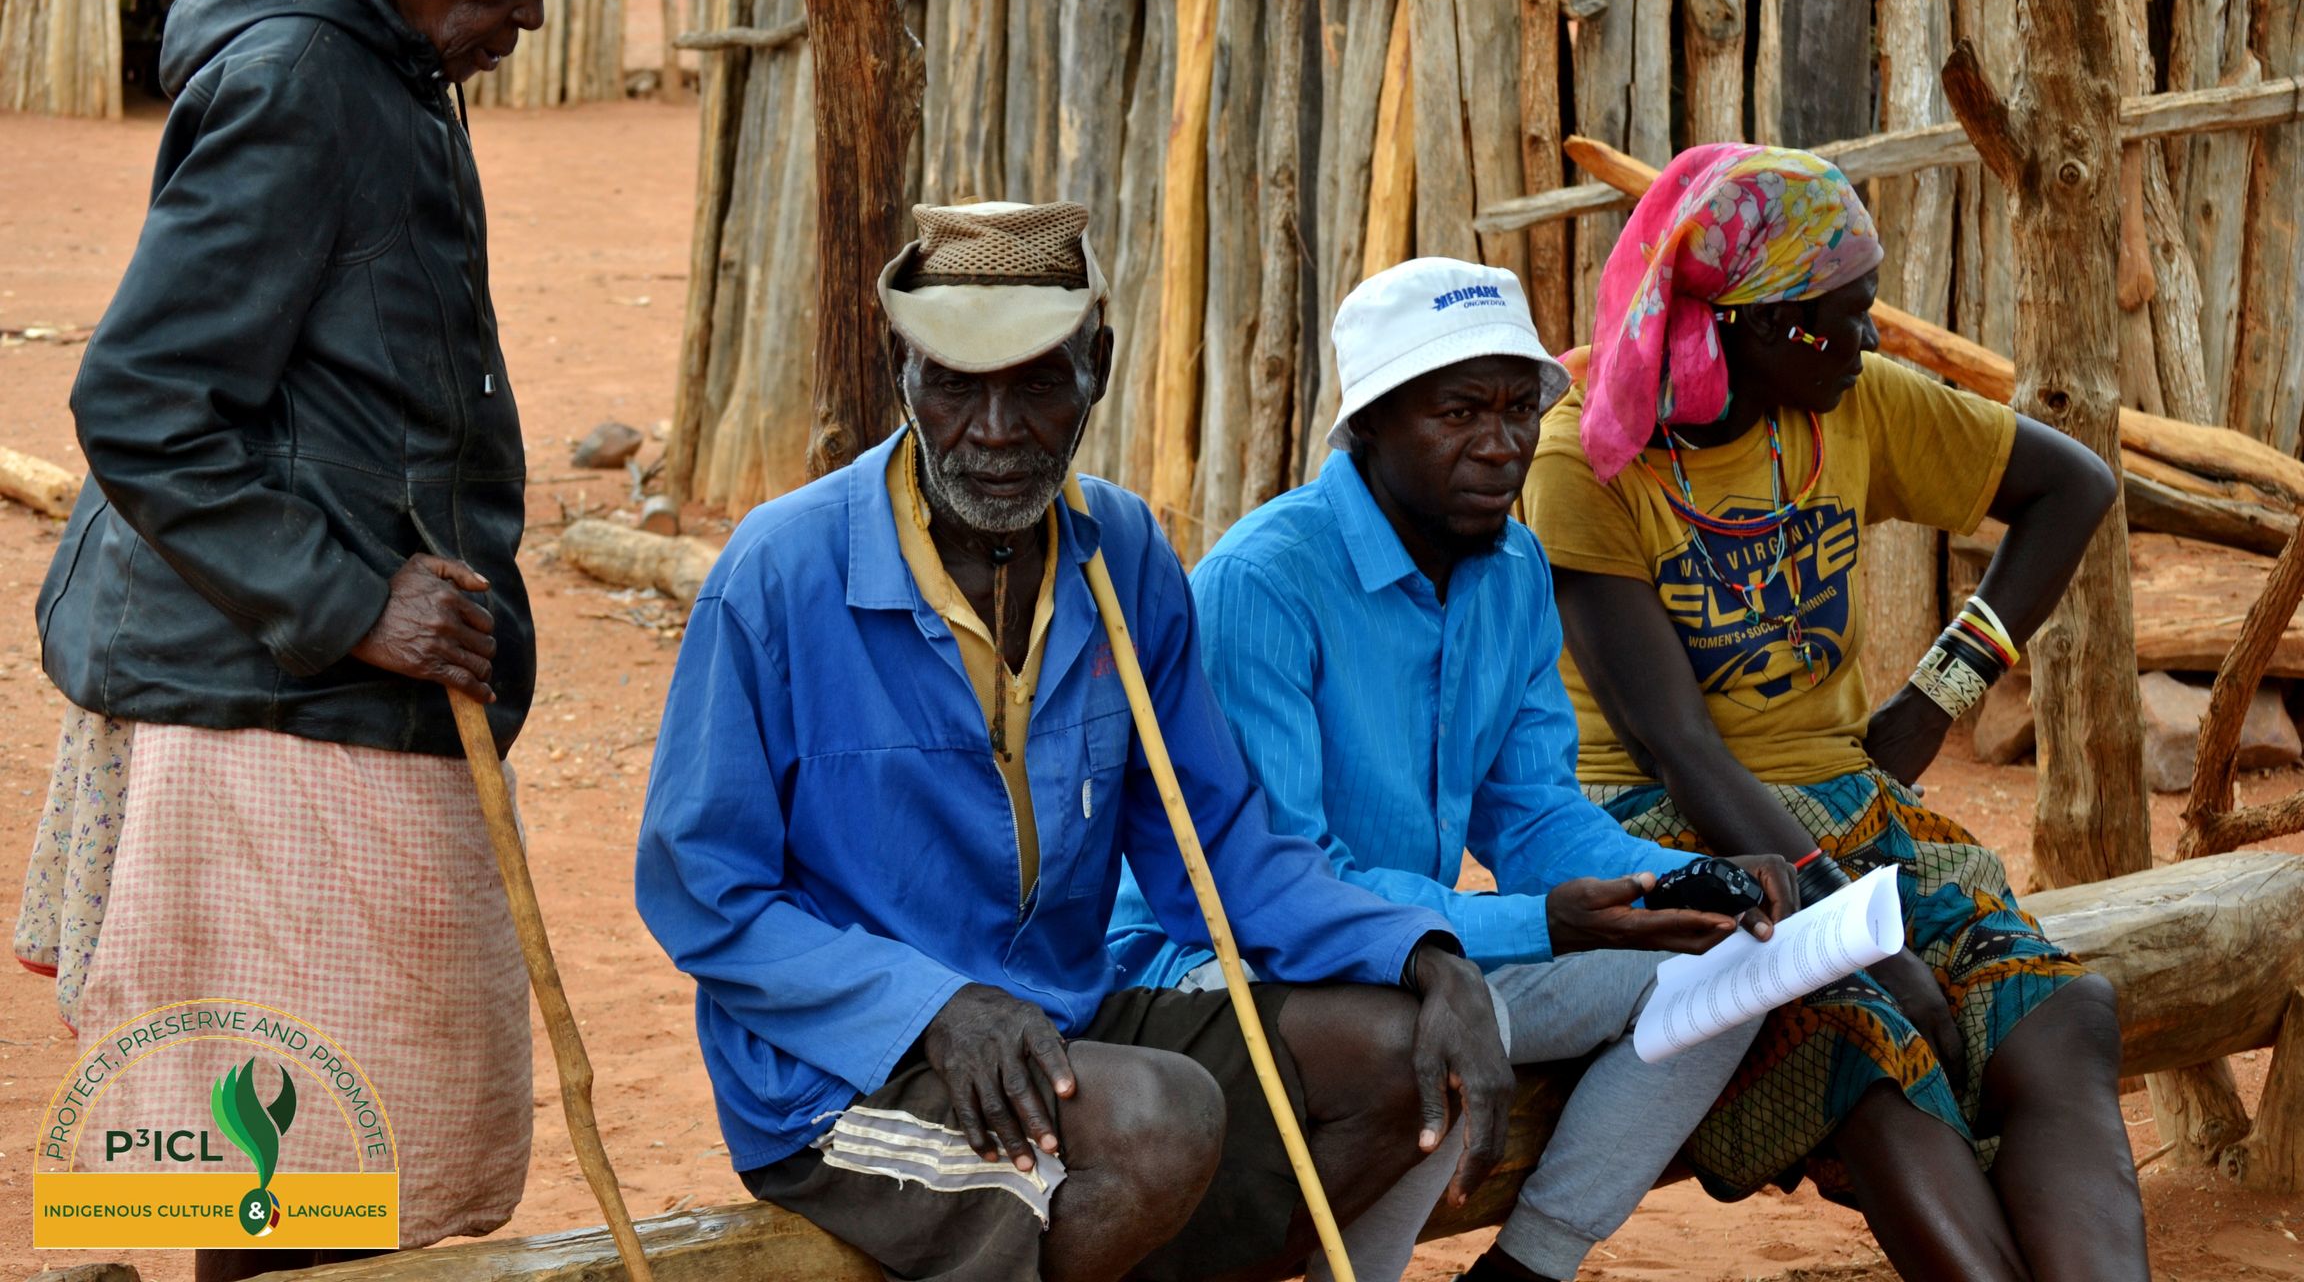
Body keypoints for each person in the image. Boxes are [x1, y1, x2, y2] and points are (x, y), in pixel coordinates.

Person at [634, 201, 1515, 1282]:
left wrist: (1425, 953)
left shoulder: (1124, 555)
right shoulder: (781, 571)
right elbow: (700, 891)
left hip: (1057, 1024)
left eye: (1038, 383)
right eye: (956, 385)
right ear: (899, 368)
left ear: (1097, 364)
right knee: (1160, 1120)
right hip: (840, 1075)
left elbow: (1222, 853)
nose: (997, 431)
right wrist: (930, 1007)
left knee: (1385, 1056)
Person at [17, 0, 590, 1279]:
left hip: (307, 689)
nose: (524, 22)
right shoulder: (307, 78)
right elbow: (144, 398)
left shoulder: (383, 63)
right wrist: (356, 605)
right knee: (296, 1175)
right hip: (270, 695)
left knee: (297, 1169)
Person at [1524, 144, 2148, 1281]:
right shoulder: (1591, 457)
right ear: (1754, 329)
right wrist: (1846, 936)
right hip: (1673, 836)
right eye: (1844, 317)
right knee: (1864, 1038)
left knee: (2063, 1022)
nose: (1871, 342)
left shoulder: (1848, 405)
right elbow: (1680, 749)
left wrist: (1940, 693)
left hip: (1848, 810)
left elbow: (2076, 489)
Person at [1108, 257, 1796, 1282]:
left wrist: (1673, 884)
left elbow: (1532, 819)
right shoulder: (1265, 583)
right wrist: (1533, 924)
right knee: (1445, 1021)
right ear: (1373, 422)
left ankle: (1532, 1266)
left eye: (1521, 408)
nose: (1503, 443)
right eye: (1460, 411)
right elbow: (1283, 886)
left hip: (1409, 945)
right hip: (1212, 964)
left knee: (1736, 968)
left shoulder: (1513, 570)